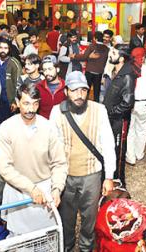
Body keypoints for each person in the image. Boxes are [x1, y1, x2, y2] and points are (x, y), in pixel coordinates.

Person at [50, 71, 116, 251]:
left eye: (83, 90)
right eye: (74, 90)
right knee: (66, 217)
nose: (79, 95)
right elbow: (52, 147)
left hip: (91, 175)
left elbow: (108, 144)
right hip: (66, 175)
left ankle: (87, 247)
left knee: (90, 217)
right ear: (66, 92)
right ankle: (67, 246)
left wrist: (109, 176)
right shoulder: (57, 112)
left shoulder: (99, 110)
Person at [0, 82, 68, 236]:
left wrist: (57, 188)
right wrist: (31, 188)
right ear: (17, 103)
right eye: (26, 103)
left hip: (45, 191)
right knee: (19, 240)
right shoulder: (6, 128)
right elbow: (5, 168)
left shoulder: (48, 127)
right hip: (18, 191)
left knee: (46, 238)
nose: (31, 109)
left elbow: (59, 163)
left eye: (35, 104)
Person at [103, 44, 136, 186]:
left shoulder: (127, 76)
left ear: (121, 58)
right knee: (109, 148)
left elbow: (128, 103)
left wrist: (111, 112)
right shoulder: (114, 71)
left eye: (114, 52)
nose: (110, 54)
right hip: (110, 118)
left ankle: (119, 183)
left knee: (118, 152)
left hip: (119, 121)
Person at [126, 47, 146, 165]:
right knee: (142, 129)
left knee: (130, 130)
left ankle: (130, 156)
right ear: (143, 57)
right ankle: (139, 154)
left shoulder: (128, 69)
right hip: (143, 103)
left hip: (130, 104)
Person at [0, 38, 22, 131]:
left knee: (10, 125)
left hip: (8, 99)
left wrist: (15, 101)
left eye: (6, 48)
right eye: (1, 48)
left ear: (9, 49)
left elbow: (18, 83)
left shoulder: (14, 63)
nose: (3, 50)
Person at [74, 31, 109, 102]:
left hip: (90, 71)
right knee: (97, 91)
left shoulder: (92, 46)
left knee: (86, 89)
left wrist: (74, 56)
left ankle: (84, 104)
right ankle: (96, 105)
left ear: (95, 39)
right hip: (99, 72)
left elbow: (84, 57)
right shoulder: (107, 49)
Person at [36, 55, 66, 119]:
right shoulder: (38, 87)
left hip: (61, 123)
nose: (47, 72)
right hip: (44, 123)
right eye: (44, 70)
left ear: (57, 69)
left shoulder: (66, 87)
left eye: (50, 69)